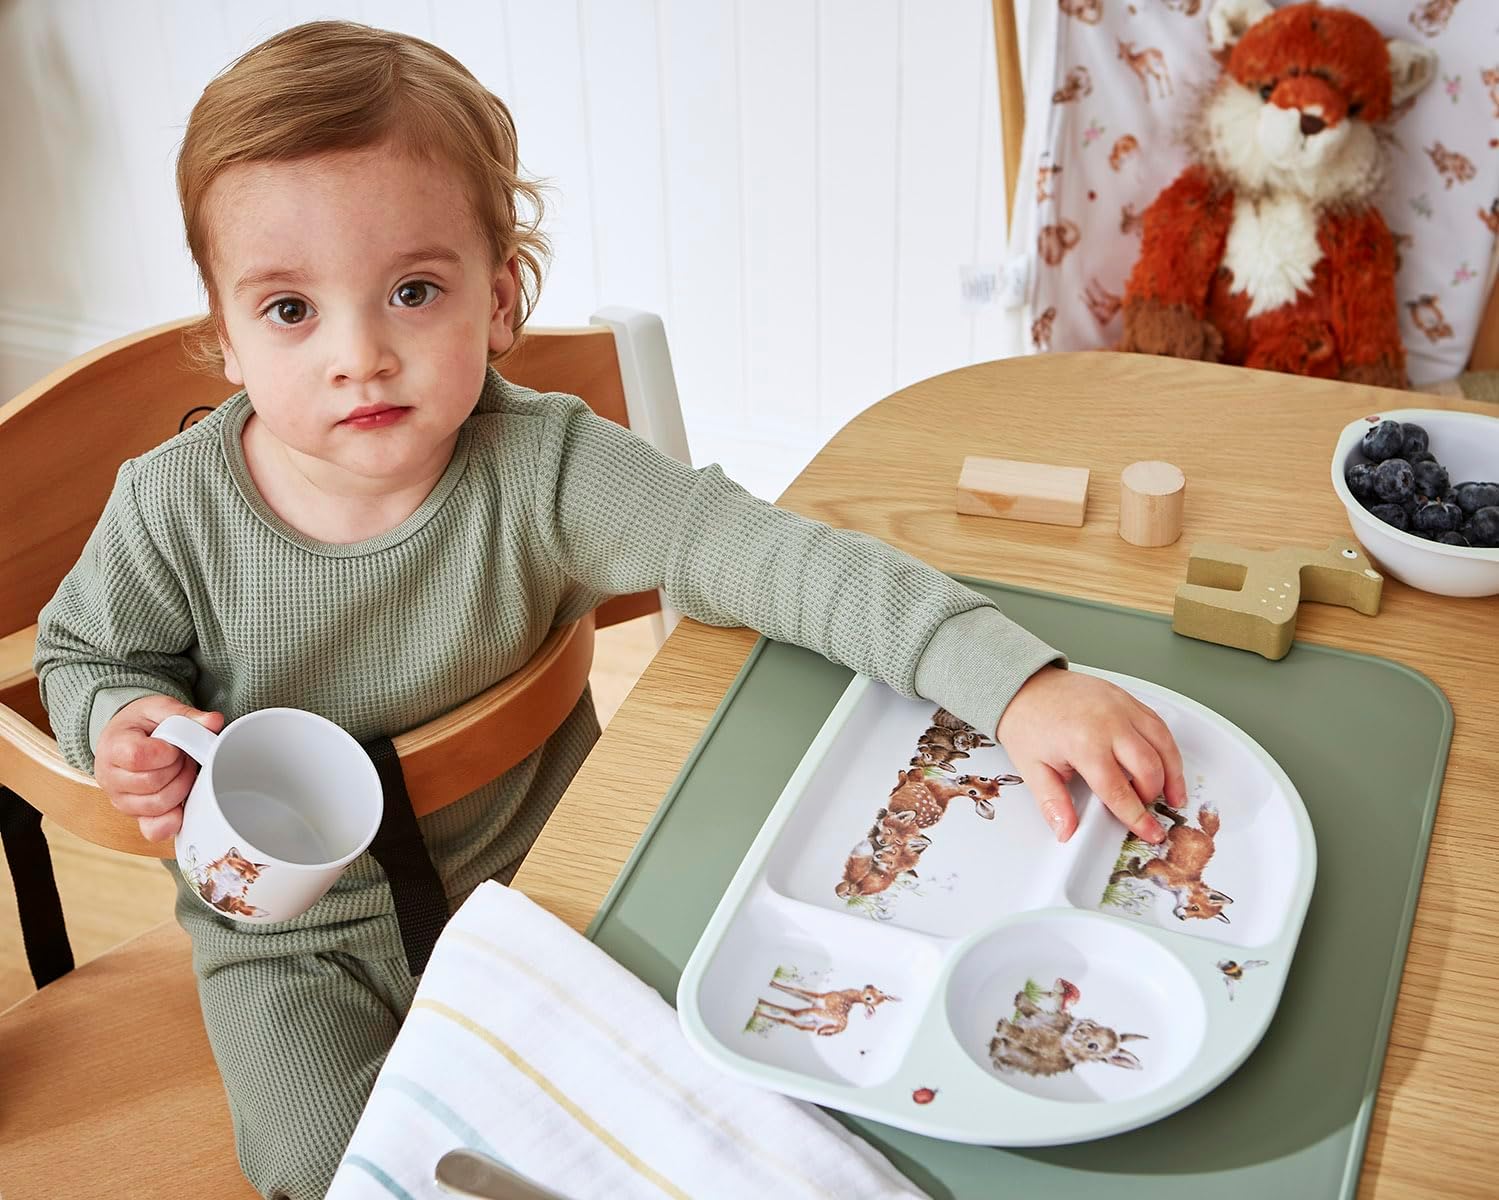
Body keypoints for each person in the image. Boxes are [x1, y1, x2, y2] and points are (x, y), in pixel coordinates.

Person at [33, 21, 1185, 1199]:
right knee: (330, 1171)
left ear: (500, 300)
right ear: (222, 335)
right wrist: (122, 717)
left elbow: (770, 556)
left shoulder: (548, 468)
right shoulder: (170, 505)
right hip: (292, 946)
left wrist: (1015, 683)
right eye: (289, 311)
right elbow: (79, 652)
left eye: (413, 292)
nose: (360, 356)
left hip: (558, 874)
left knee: (735, 1094)